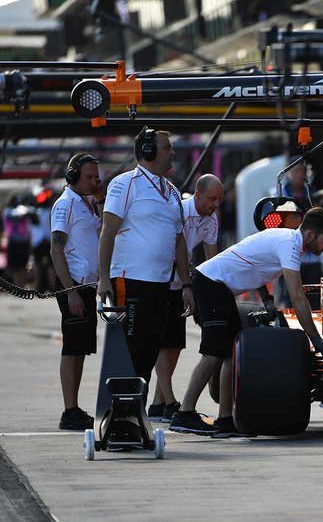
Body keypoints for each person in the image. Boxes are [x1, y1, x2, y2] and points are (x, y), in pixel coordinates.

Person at [169, 207, 323, 436]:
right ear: (310, 235)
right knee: (213, 352)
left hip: (221, 289)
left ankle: (225, 419)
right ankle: (184, 413)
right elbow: (297, 297)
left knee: (230, 353)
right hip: (211, 285)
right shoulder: (289, 245)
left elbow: (253, 264)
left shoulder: (285, 239)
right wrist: (315, 338)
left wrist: (267, 299)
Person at [97, 127, 195, 387]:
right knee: (131, 348)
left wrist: (186, 285)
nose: (173, 152)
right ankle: (120, 409)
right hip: (130, 281)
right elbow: (107, 232)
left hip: (161, 284)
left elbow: (179, 241)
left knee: (151, 350)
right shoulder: (124, 183)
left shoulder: (173, 191)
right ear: (148, 151)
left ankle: (136, 407)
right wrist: (103, 278)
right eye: (167, 148)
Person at [148, 174, 223, 423]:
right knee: (161, 342)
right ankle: (170, 402)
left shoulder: (211, 221)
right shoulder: (177, 210)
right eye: (212, 198)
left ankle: (158, 403)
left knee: (176, 344)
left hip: (181, 281)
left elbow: (212, 261)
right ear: (198, 195)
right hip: (159, 277)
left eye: (219, 199)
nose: (216, 204)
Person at [50, 153, 103, 430]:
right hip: (73, 286)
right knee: (72, 348)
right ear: (72, 176)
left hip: (86, 287)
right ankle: (69, 410)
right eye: (89, 177)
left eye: (96, 176)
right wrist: (70, 291)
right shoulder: (65, 204)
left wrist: (101, 198)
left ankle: (74, 408)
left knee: (80, 348)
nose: (94, 181)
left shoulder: (87, 205)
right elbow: (56, 248)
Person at [2, 194, 33, 287]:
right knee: (22, 266)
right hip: (23, 241)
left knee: (16, 266)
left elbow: (4, 227)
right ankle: (21, 286)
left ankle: (18, 287)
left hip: (13, 241)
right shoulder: (25, 211)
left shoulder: (7, 212)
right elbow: (29, 227)